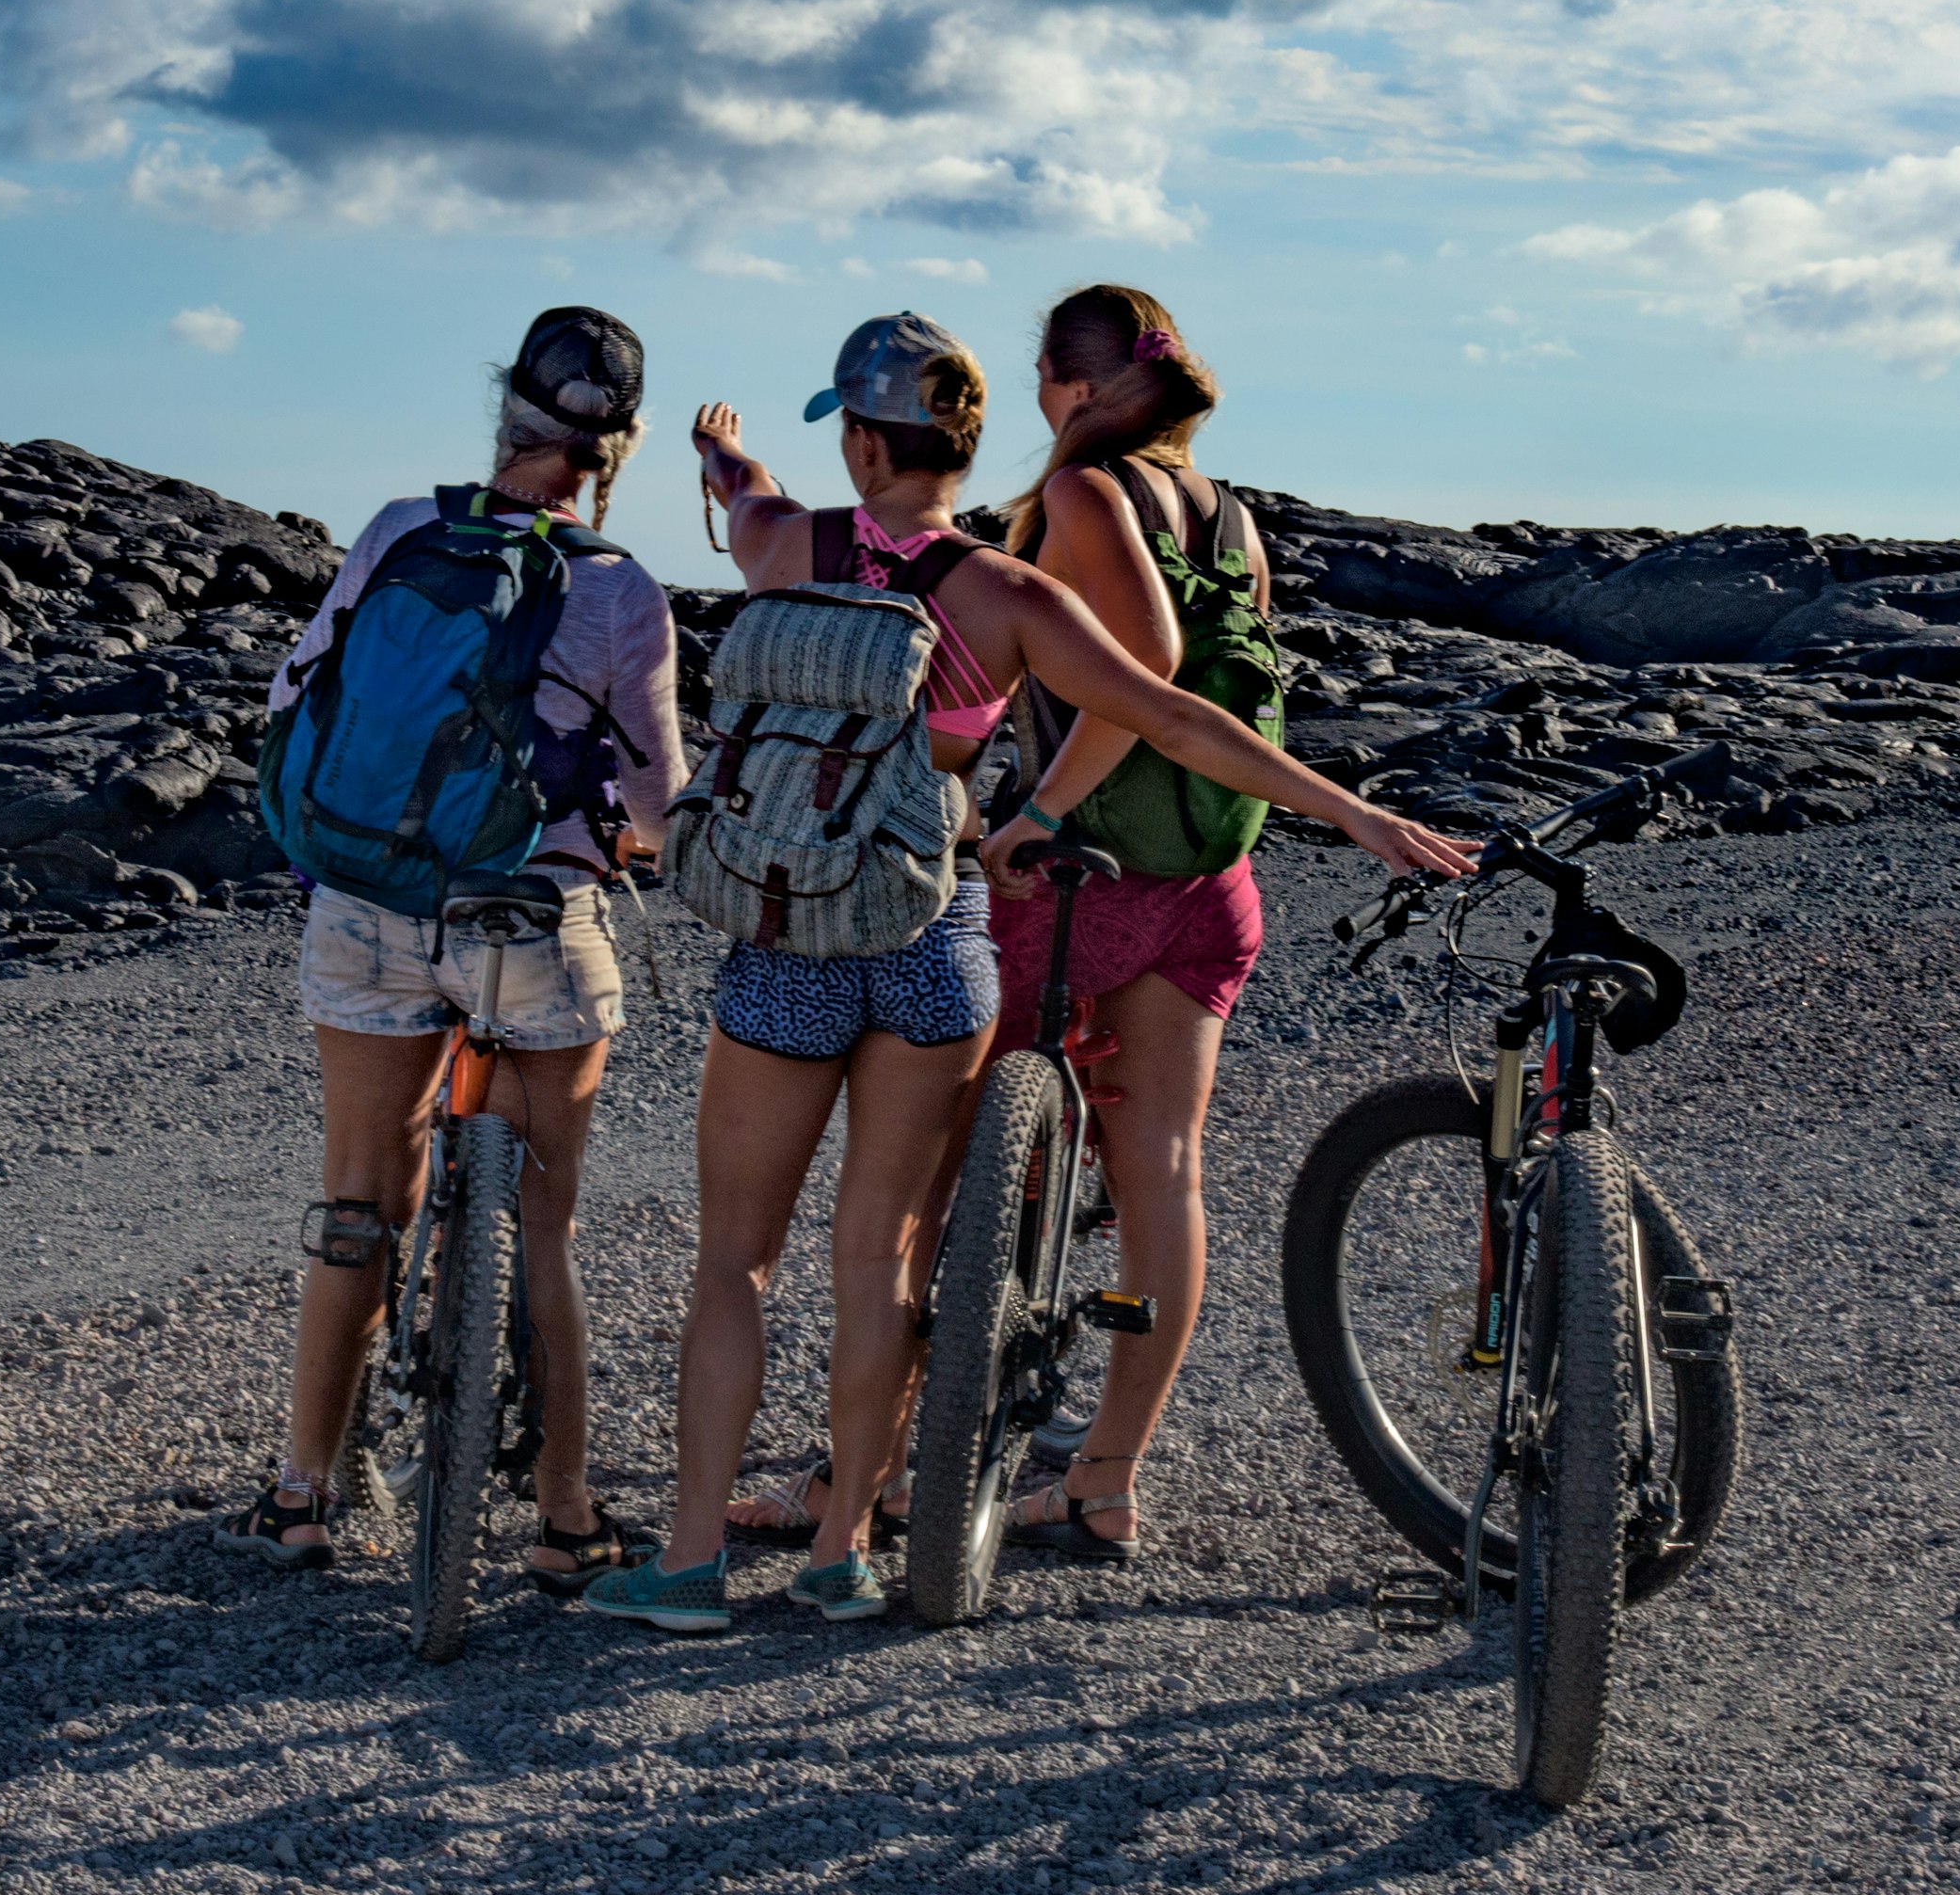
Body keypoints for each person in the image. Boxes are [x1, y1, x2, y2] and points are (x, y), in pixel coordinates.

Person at [582, 314, 1473, 1634]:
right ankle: (842, 1551)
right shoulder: (1005, 595)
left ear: (867, 440)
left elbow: (752, 503)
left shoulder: (788, 550)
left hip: (789, 937)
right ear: (964, 444)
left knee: (736, 1265)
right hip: (930, 932)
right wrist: (1347, 812)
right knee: (886, 1251)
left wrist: (728, 462)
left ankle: (695, 1562)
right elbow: (1172, 712)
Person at [220, 307, 686, 1588]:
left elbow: (291, 697)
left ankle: (304, 1491)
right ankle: (566, 1515)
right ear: (616, 444)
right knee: (542, 1225)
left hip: (368, 909)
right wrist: (629, 845)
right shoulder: (617, 589)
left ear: (505, 411)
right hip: (533, 923)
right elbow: (654, 804)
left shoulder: (396, 531)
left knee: (359, 1196)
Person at [962, 282, 1281, 1561]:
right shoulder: (1231, 514)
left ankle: (884, 1457)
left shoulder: (1090, 497)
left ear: (1074, 385)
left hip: (1088, 880)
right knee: (1165, 1167)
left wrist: (1036, 811)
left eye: (1043, 375)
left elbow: (1137, 681)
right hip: (1212, 883)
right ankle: (1105, 1474)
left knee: (942, 1148)